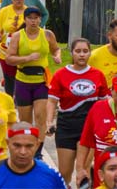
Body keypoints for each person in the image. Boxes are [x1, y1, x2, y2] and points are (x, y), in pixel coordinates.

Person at [47, 38, 110, 186]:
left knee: (84, 172)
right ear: (72, 53)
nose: (81, 55)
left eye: (85, 51)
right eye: (78, 51)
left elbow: (105, 103)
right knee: (64, 173)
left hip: (88, 129)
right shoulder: (60, 75)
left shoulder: (98, 75)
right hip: (66, 127)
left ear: (90, 54)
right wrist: (49, 121)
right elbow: (51, 101)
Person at [4, 6, 61, 146]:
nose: (33, 21)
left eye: (36, 18)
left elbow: (56, 49)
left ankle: (39, 149)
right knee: (25, 120)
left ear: (40, 19)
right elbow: (9, 59)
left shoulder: (47, 34)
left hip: (41, 81)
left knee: (40, 117)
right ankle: (28, 145)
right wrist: (27, 58)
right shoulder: (18, 36)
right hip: (23, 81)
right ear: (25, 19)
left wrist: (57, 57)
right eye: (30, 18)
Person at [0, 122, 67, 188]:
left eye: (29, 146)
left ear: (37, 145)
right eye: (17, 145)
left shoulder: (51, 175)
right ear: (8, 143)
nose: (23, 152)